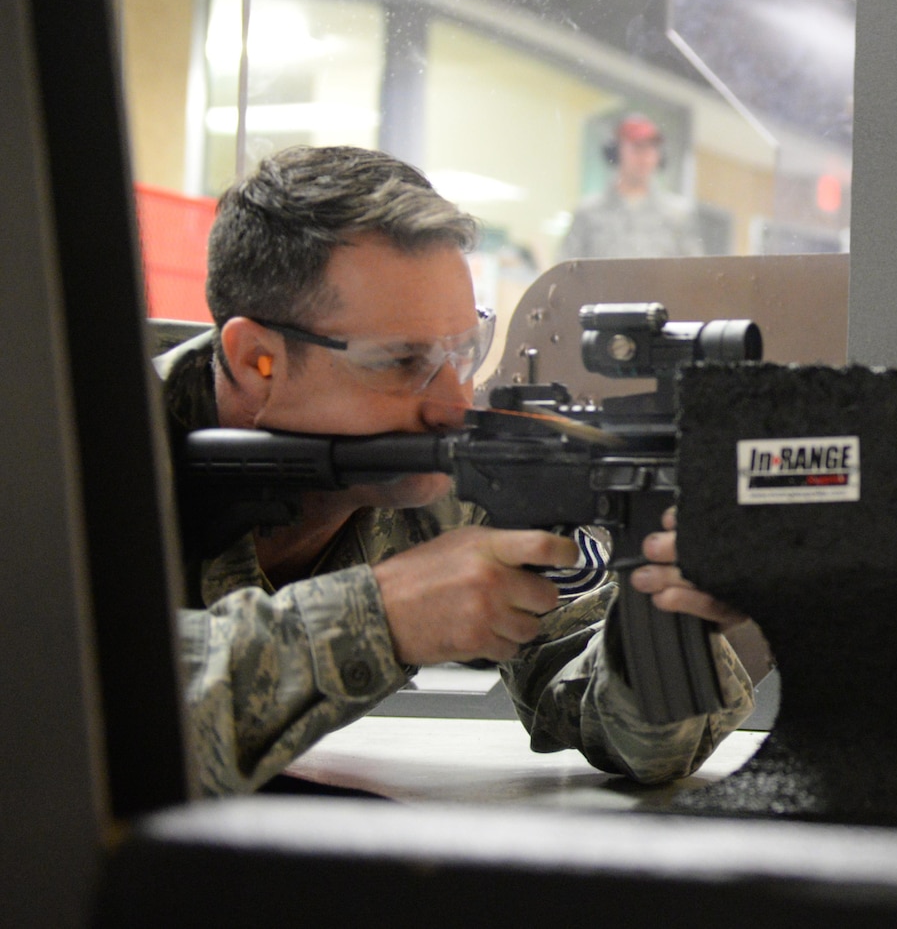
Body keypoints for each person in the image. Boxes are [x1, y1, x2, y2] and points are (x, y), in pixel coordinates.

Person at [158, 145, 751, 796]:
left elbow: (615, 726)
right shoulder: (71, 457)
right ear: (256, 360)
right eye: (401, 359)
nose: (454, 404)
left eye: (464, 350)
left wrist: (658, 613)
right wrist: (381, 616)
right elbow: (62, 705)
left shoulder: (449, 480)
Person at [559, 113, 705, 260]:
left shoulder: (677, 215)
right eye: (638, 147)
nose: (645, 157)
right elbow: (566, 269)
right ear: (616, 152)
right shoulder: (588, 213)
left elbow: (693, 273)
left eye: (652, 149)